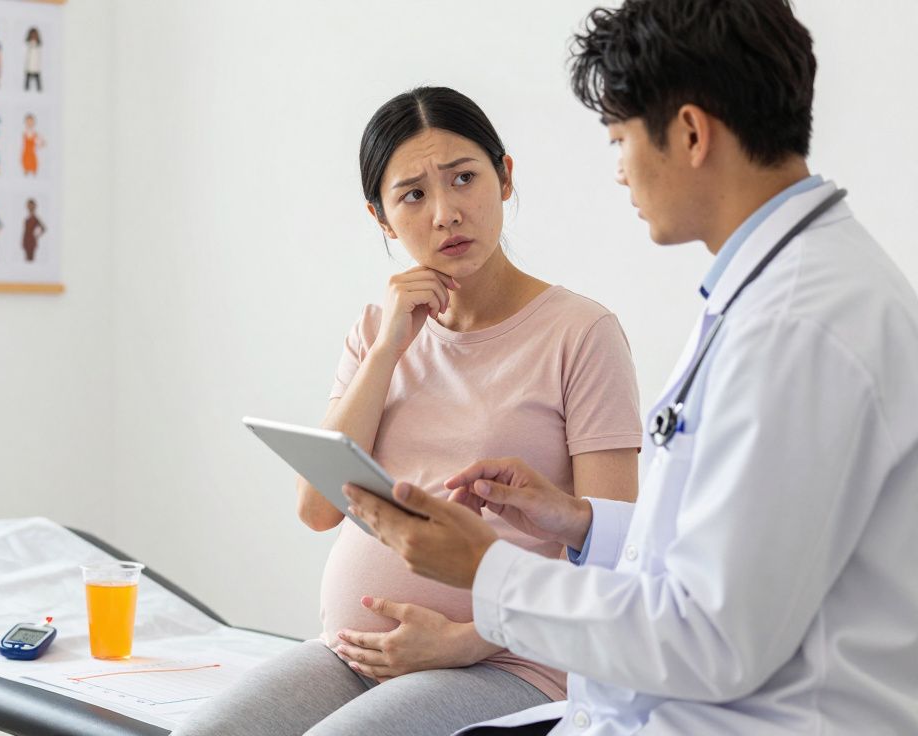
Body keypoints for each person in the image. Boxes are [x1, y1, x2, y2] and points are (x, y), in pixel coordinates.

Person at [345, 1, 918, 734]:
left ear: (689, 133)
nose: (619, 173)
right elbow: (726, 549)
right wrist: (583, 523)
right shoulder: (774, 290)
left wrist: (487, 570)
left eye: (619, 140)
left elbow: (711, 637)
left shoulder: (796, 326)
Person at [173, 87, 643, 736]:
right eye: (414, 195)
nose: (447, 213)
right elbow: (316, 508)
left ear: (505, 178)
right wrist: (389, 347)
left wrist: (470, 638)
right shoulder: (377, 330)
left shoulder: (582, 333)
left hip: (508, 661)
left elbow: (621, 551)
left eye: (464, 179)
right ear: (382, 219)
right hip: (354, 655)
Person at [24, 27, 43, 91]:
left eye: (35, 34)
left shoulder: (39, 46)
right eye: (32, 34)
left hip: (36, 67)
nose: (33, 36)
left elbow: (39, 57)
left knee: (39, 87)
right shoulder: (27, 45)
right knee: (26, 86)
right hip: (28, 67)